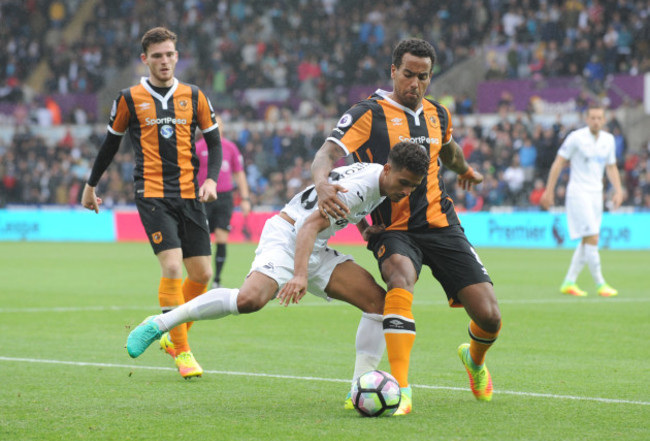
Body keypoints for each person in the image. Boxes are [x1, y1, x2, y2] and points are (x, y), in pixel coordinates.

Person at [126, 142, 430, 416]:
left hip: (315, 246)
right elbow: (309, 226)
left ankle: (358, 388)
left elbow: (342, 205)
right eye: (403, 183)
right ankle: (159, 324)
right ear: (389, 170)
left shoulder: (380, 178)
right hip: (288, 236)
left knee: (378, 303)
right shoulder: (364, 187)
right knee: (250, 300)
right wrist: (299, 276)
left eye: (413, 187)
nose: (406, 191)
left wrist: (363, 229)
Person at [311, 38, 502, 411]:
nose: (415, 83)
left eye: (424, 76)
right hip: (392, 228)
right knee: (399, 277)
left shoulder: (437, 114)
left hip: (441, 224)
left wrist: (465, 170)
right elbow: (328, 151)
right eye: (409, 74)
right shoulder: (368, 113)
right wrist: (322, 182)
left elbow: (447, 149)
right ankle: (401, 388)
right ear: (394, 71)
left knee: (489, 315)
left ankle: (474, 361)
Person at [81, 27, 223, 379]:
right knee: (172, 267)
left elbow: (215, 142)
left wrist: (210, 179)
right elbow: (110, 144)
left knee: (203, 274)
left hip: (190, 194)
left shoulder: (195, 95)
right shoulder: (129, 98)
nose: (164, 61)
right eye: (156, 55)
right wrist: (90, 185)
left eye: (169, 54)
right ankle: (184, 352)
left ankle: (172, 333)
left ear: (177, 56)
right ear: (145, 60)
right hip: (153, 193)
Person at [540, 105, 623, 297]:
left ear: (604, 120)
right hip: (578, 193)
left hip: (596, 195)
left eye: (599, 118)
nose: (596, 121)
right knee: (593, 237)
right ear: (587, 119)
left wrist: (618, 190)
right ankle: (601, 284)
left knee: (587, 240)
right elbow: (559, 162)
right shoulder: (576, 137)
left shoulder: (608, 140)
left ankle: (569, 281)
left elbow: (611, 167)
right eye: (592, 117)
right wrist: (549, 190)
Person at [196, 117, 251, 289]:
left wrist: (245, 198)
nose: (216, 128)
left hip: (225, 197)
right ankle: (202, 275)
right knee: (203, 240)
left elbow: (239, 173)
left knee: (221, 237)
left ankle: (217, 280)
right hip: (203, 197)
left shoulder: (230, 148)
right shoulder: (198, 147)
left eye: (219, 124)